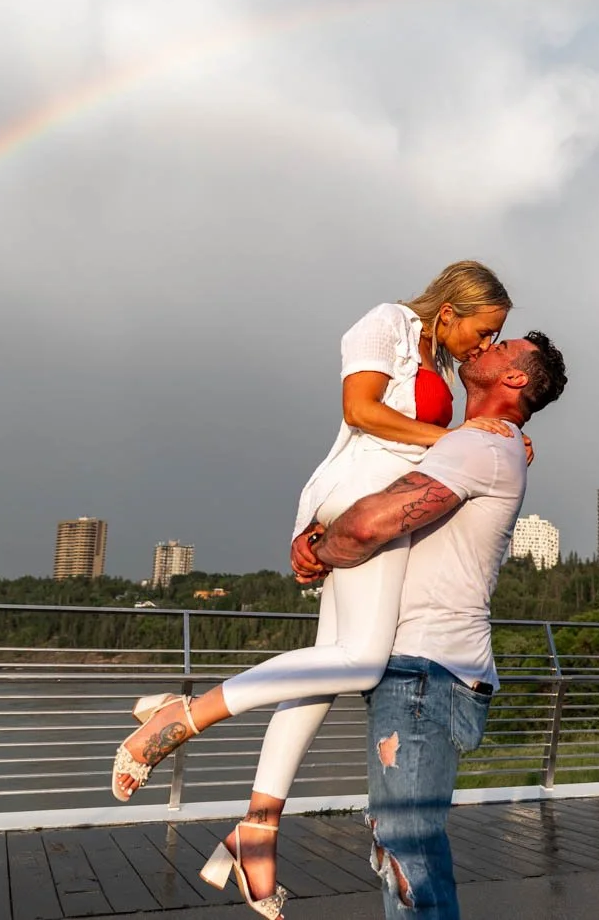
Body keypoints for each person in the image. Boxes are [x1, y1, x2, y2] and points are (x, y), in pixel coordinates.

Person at [109, 261, 530, 919]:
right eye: (487, 329)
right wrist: (460, 439)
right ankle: (183, 716)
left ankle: (258, 831)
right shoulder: (386, 323)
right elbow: (357, 410)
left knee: (333, 665)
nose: (483, 344)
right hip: (359, 501)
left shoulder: (438, 361)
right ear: (453, 307)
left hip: (380, 508)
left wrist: (478, 440)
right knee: (362, 661)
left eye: (496, 338)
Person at [292, 330, 568, 919]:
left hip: (427, 675)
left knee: (408, 856)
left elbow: (369, 524)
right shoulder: (478, 444)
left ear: (515, 378)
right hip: (430, 674)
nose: (481, 346)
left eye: (499, 347)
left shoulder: (481, 449)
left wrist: (319, 546)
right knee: (402, 852)